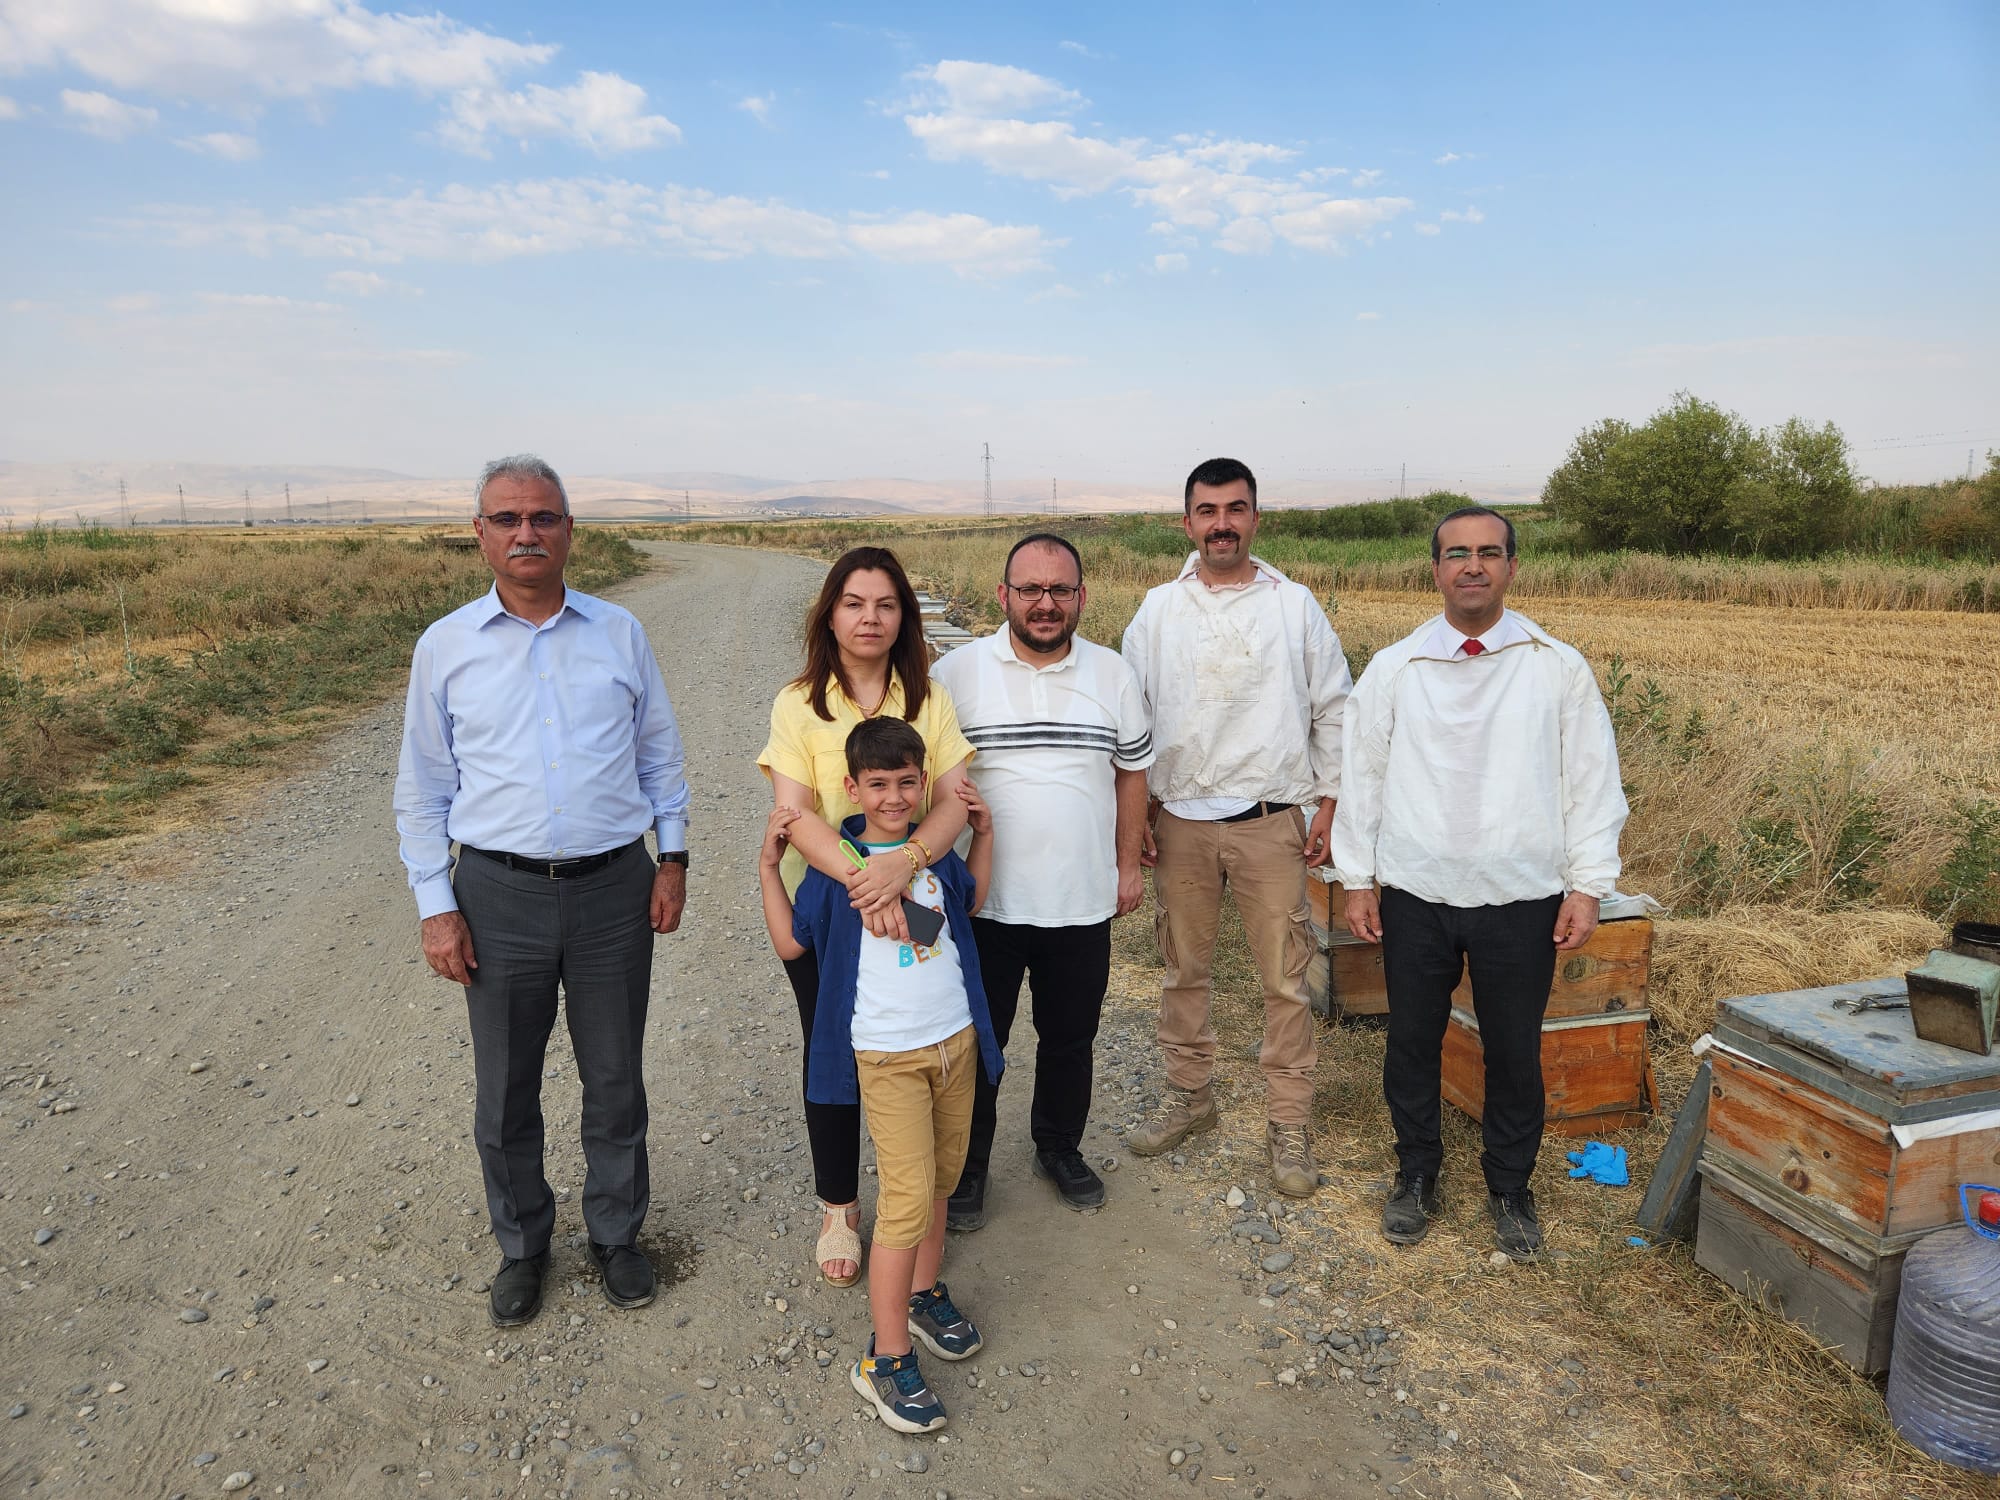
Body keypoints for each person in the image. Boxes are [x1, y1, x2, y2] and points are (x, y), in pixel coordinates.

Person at [393, 454, 690, 1327]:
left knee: (616, 1079)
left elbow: (659, 754)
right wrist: (436, 906)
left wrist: (673, 859)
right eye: (508, 519)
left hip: (614, 891)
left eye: (543, 517)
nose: (527, 533)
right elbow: (422, 788)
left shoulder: (620, 633)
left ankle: (616, 1235)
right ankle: (523, 1246)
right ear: (480, 532)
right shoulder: (446, 646)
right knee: (505, 1089)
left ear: (569, 530)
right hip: (496, 894)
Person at [1330, 506, 1627, 1258]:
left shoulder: (1555, 667)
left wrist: (1587, 885)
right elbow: (1362, 776)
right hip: (1416, 893)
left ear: (1511, 567)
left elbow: (1591, 780)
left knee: (1513, 1051)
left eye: (1488, 553)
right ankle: (1416, 1173)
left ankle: (1510, 1186)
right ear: (1435, 569)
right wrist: (1357, 878)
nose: (1473, 566)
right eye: (1457, 553)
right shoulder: (1397, 668)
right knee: (1412, 1041)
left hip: (1520, 896)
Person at [759, 719, 1005, 1434]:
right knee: (904, 1199)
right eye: (878, 785)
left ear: (923, 784)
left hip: (955, 1043)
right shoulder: (839, 870)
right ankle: (886, 1357)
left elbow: (968, 906)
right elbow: (792, 944)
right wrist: (769, 870)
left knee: (942, 1179)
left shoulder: (935, 851)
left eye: (906, 783)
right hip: (888, 1057)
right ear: (851, 788)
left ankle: (923, 1294)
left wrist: (984, 835)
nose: (894, 797)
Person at [1121, 458, 1351, 1197]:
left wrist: (1329, 803)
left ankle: (1289, 1124)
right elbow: (1132, 715)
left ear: (1255, 517)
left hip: (1269, 822)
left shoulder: (1294, 606)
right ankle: (1192, 1098)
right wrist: (1139, 813)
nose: (1222, 524)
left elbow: (1333, 706)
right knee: (1183, 970)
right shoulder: (1159, 610)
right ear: (1187, 523)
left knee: (1286, 980)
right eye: (1208, 511)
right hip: (1181, 823)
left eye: (1235, 509)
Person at [757, 547, 975, 1288]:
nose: (870, 618)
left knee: (916, 1040)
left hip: (917, 896)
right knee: (832, 1050)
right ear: (830, 614)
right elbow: (793, 815)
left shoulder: (929, 699)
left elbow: (953, 801)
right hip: (830, 908)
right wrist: (870, 882)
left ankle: (916, 1196)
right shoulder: (798, 703)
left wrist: (905, 863)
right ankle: (840, 1207)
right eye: (854, 603)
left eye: (886, 604)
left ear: (904, 617)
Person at [931, 533, 1153, 1227]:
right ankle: (967, 1167)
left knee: (1070, 1040)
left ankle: (1057, 1147)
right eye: (1030, 589)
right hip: (983, 904)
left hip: (1081, 901)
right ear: (1004, 595)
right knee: (978, 1044)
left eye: (1060, 590)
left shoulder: (1113, 674)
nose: (1046, 603)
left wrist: (1126, 867)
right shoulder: (957, 673)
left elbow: (1132, 774)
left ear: (1082, 596)